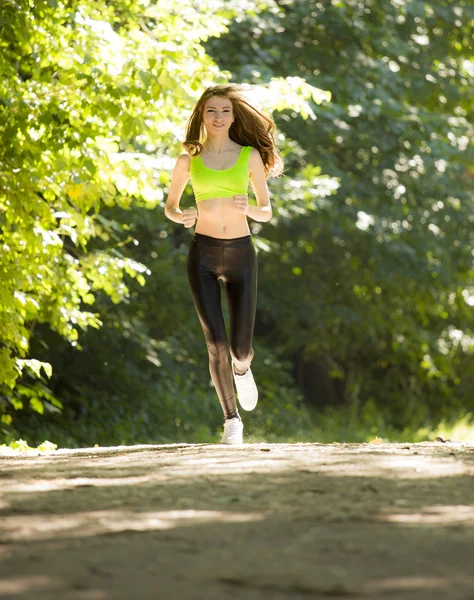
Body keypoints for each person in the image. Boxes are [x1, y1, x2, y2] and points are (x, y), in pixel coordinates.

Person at [164, 84, 283, 445]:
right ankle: (231, 421)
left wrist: (250, 209)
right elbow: (169, 206)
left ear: (234, 116)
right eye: (212, 111)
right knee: (215, 343)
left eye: (225, 111)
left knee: (239, 349)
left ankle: (242, 368)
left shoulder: (248, 157)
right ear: (202, 114)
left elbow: (266, 209)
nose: (218, 118)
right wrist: (179, 215)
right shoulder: (188, 159)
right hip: (203, 254)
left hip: (241, 254)